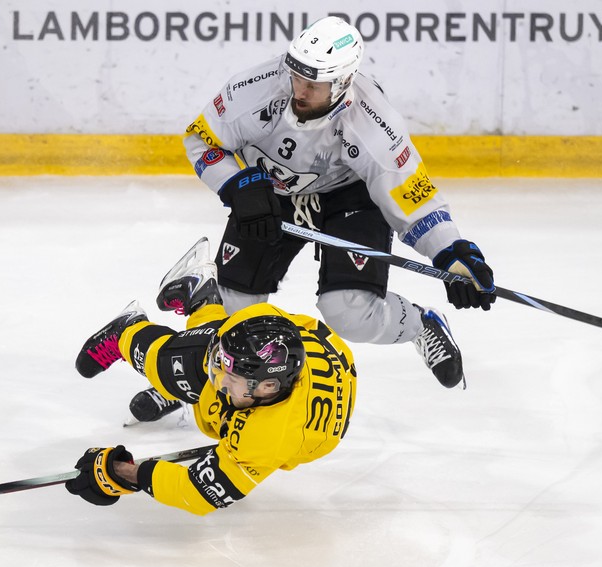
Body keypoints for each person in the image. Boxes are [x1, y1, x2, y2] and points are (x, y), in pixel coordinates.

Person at [181, 16, 496, 391]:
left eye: (313, 85)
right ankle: (201, 381)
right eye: (297, 76)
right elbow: (202, 141)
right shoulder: (254, 90)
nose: (299, 90)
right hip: (269, 193)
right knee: (234, 308)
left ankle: (421, 324)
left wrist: (451, 252)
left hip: (349, 198)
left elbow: (412, 193)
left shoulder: (373, 122)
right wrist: (237, 184)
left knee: (349, 314)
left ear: (342, 83)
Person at [67, 238, 356, 516]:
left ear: (268, 387)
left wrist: (121, 473)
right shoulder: (261, 362)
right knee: (185, 365)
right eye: (221, 366)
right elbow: (239, 349)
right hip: (309, 339)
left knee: (202, 391)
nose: (218, 379)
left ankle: (196, 299)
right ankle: (128, 332)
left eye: (229, 375)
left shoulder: (265, 437)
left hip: (297, 424)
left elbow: (195, 492)